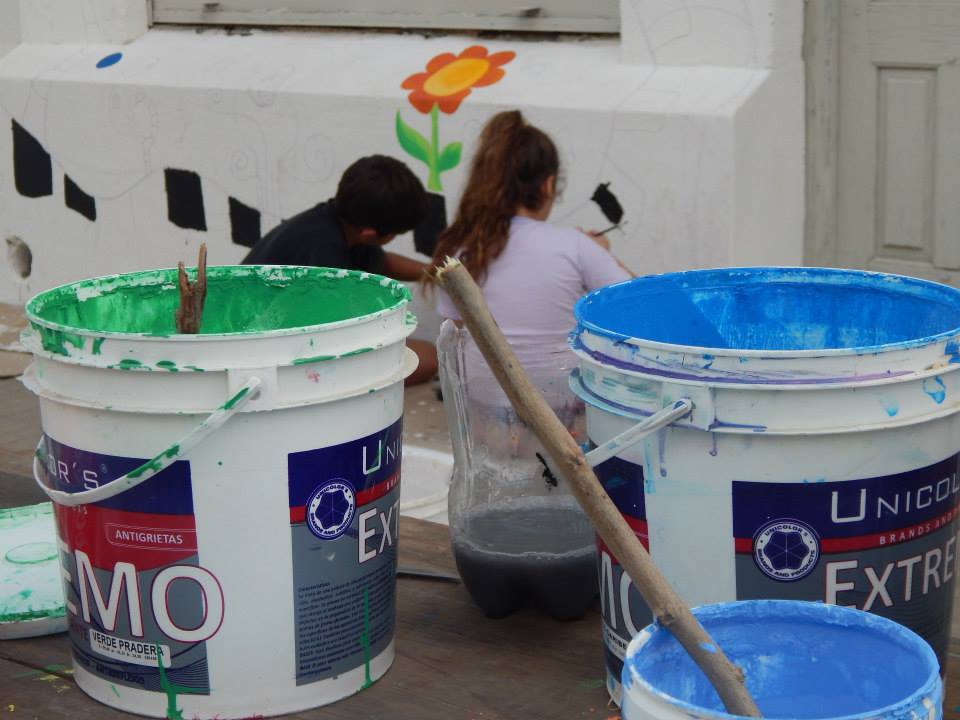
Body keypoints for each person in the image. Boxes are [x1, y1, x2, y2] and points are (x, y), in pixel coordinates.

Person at [429, 110, 632, 355]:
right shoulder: (576, 246)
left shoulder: (460, 250)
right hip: (559, 392)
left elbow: (457, 333)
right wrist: (603, 253)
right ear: (548, 185)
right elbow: (642, 305)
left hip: (478, 392)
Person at [243, 155, 437, 385]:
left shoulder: (341, 223)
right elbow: (334, 333)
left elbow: (382, 263)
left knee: (424, 355)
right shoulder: (322, 251)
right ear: (370, 234)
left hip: (282, 339)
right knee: (425, 360)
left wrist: (437, 274)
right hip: (261, 353)